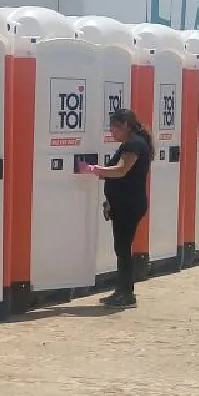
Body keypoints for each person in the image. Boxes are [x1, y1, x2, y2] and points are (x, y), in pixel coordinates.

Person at [79, 108, 152, 308]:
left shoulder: (134, 145)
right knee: (121, 248)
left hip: (129, 205)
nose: (112, 132)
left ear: (126, 126)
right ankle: (121, 291)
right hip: (123, 204)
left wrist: (95, 170)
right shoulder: (128, 144)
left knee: (123, 249)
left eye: (115, 128)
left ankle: (127, 294)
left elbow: (121, 170)